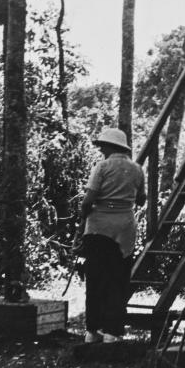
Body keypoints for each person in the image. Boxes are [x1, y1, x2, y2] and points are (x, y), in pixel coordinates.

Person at [79, 126, 146, 344]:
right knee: (118, 280)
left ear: (110, 147)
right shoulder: (136, 169)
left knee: (96, 279)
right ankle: (112, 330)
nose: (101, 151)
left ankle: (92, 330)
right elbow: (142, 200)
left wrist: (83, 219)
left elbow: (89, 200)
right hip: (124, 227)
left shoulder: (102, 167)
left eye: (103, 147)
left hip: (99, 227)